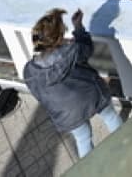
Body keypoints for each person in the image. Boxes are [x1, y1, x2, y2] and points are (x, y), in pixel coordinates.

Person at [23, 8, 123, 158]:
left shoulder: (30, 70)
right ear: (59, 36)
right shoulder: (71, 51)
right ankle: (126, 141)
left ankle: (89, 169)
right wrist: (78, 28)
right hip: (91, 96)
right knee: (110, 116)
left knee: (83, 139)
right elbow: (87, 49)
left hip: (65, 112)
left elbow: (40, 94)